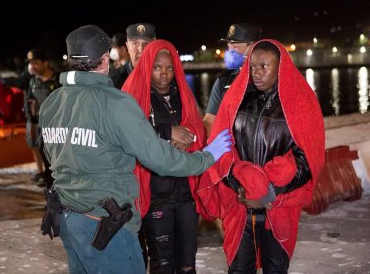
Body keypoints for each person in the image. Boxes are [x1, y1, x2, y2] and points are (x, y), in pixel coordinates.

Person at [39, 24, 231, 274]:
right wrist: (207, 156)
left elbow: (51, 154)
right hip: (105, 225)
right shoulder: (115, 103)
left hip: (67, 218)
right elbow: (160, 159)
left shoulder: (52, 102)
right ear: (106, 59)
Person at [197, 39, 325, 273]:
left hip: (279, 205)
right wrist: (238, 184)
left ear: (281, 67)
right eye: (252, 66)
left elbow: (307, 159)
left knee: (275, 268)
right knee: (238, 267)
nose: (256, 73)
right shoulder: (237, 101)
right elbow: (222, 147)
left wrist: (269, 193)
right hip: (240, 205)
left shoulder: (300, 103)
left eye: (264, 67)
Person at [122, 39, 210, 273]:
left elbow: (198, 130)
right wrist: (165, 132)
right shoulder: (134, 96)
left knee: (187, 265)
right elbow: (126, 134)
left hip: (185, 192)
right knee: (162, 264)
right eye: (157, 68)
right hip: (155, 194)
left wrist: (188, 139)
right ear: (147, 67)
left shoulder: (183, 95)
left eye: (170, 68)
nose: (164, 74)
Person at [203, 23, 262, 134]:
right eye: (229, 44)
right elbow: (209, 121)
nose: (230, 48)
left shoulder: (268, 80)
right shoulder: (223, 81)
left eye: (235, 44)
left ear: (253, 46)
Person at [25, 48, 60, 187]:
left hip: (59, 129)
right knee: (46, 164)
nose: (32, 66)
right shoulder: (33, 82)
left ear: (45, 63)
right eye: (30, 63)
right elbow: (29, 103)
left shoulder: (59, 79)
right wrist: (32, 123)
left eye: (36, 63)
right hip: (42, 129)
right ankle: (51, 195)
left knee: (59, 164)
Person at [109, 23, 156, 89]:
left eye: (146, 44)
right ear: (127, 46)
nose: (141, 50)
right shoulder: (115, 80)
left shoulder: (164, 77)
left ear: (155, 46)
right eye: (135, 43)